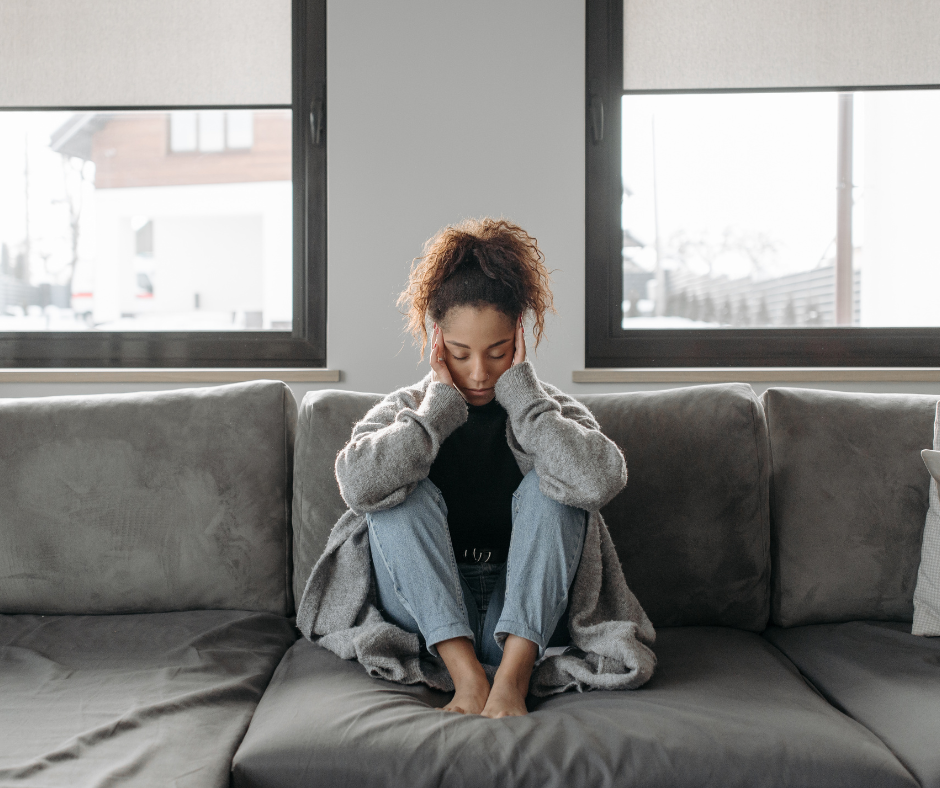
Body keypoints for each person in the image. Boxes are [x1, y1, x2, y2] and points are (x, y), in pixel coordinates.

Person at [296, 218, 656, 717]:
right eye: (461, 354)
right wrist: (432, 417)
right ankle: (467, 678)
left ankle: (511, 679)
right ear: (436, 340)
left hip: (528, 613)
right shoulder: (409, 409)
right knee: (398, 496)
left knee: (554, 488)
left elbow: (599, 480)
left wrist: (527, 402)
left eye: (499, 352)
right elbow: (358, 485)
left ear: (520, 339)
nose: (480, 373)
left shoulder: (546, 411)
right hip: (428, 616)